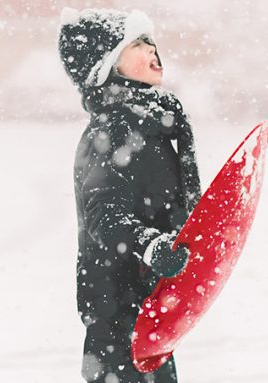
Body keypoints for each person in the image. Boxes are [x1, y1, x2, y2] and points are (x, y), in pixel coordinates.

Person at [58, 8, 202, 383]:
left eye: (151, 40)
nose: (153, 50)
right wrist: (152, 246)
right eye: (138, 43)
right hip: (118, 315)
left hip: (143, 309)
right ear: (106, 64)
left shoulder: (145, 122)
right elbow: (103, 216)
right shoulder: (115, 128)